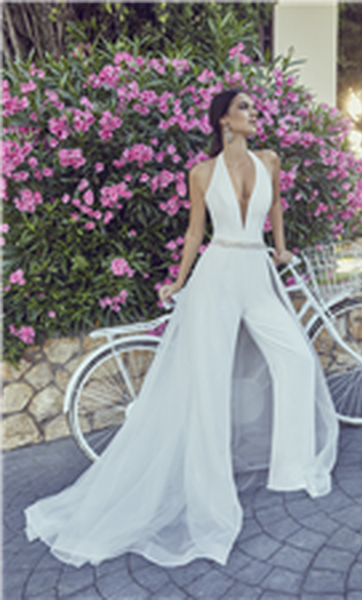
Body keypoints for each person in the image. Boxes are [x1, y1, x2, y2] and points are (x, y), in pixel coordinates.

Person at [24, 88, 338, 569]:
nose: (255, 114)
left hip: (257, 274)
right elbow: (195, 231)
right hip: (217, 277)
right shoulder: (200, 173)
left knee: (294, 358)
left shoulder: (269, 159)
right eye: (245, 109)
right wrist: (178, 281)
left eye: (254, 107)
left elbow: (275, 210)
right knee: (207, 383)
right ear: (224, 121)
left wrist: (281, 247)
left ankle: (293, 467)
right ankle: (208, 490)